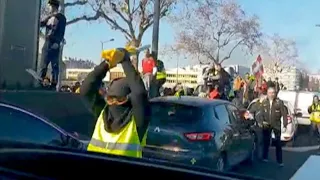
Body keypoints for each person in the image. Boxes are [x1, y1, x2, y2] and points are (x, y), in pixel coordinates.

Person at [80, 47, 150, 158]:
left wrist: (123, 61)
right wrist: (108, 63)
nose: (114, 103)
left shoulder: (137, 121)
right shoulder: (104, 113)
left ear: (129, 100)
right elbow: (85, 89)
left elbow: (139, 93)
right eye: (110, 99)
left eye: (119, 100)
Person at [39, 0, 66, 90]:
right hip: (47, 43)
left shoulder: (61, 17)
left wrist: (57, 42)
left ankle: (53, 84)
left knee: (54, 65)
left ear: (53, 6)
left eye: (49, 6)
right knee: (43, 64)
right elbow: (41, 24)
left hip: (54, 43)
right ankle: (41, 82)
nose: (48, 8)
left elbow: (61, 32)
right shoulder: (49, 17)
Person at [260, 87, 287, 166]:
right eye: (269, 93)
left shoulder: (279, 102)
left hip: (276, 125)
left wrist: (285, 124)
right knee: (266, 141)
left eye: (273, 93)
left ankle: (280, 161)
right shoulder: (264, 102)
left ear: (275, 94)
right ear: (267, 93)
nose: (271, 94)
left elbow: (284, 114)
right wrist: (262, 122)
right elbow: (261, 113)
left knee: (278, 143)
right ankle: (265, 157)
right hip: (267, 124)